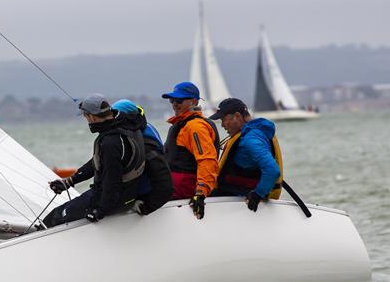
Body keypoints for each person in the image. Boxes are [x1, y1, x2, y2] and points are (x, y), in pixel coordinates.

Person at [42, 94, 146, 228]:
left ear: (92, 116)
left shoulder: (111, 142)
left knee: (55, 217)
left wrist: (100, 210)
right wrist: (70, 181)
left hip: (114, 200)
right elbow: (98, 162)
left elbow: (112, 181)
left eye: (86, 117)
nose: (87, 121)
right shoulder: (128, 126)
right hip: (127, 195)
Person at [209, 98, 283, 212]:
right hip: (233, 195)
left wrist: (257, 195)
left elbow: (272, 170)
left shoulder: (251, 139)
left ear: (237, 116)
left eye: (224, 119)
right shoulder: (251, 132)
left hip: (239, 201)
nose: (222, 125)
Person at [161, 81, 219, 220]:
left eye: (179, 100)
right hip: (175, 187)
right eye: (172, 100)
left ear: (193, 101)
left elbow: (207, 160)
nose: (175, 104)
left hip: (183, 188)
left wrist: (200, 193)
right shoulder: (184, 124)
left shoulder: (195, 127)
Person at [111, 99, 173, 216]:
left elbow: (166, 185)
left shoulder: (145, 142)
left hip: (142, 195)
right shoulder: (143, 125)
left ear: (127, 118)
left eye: (115, 117)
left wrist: (147, 206)